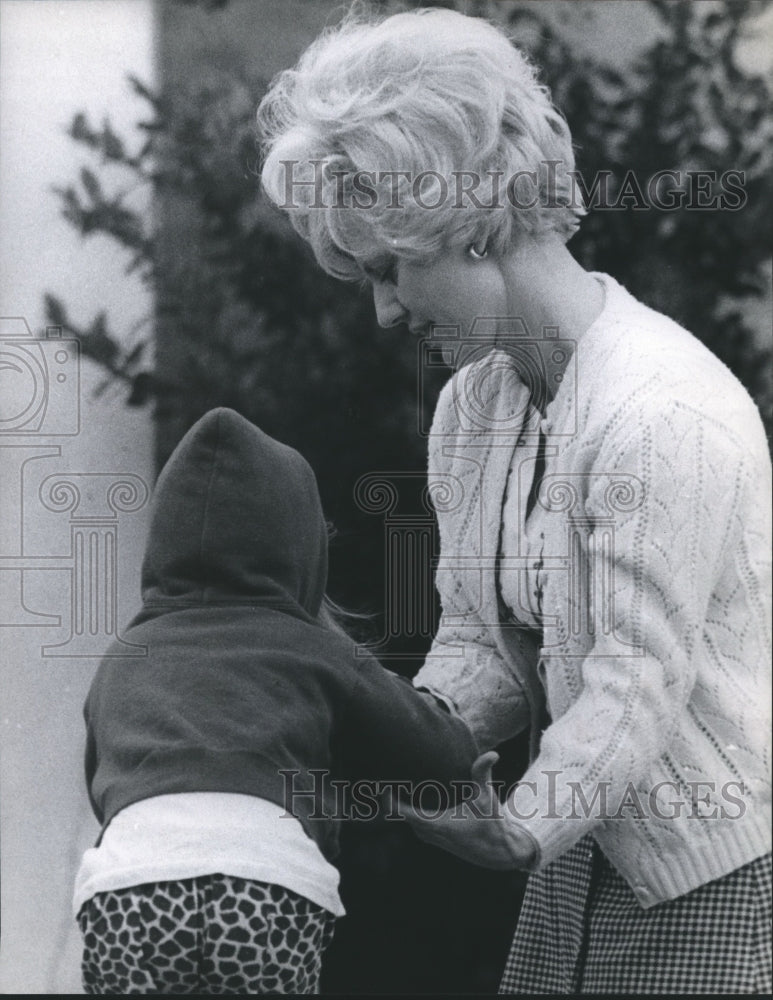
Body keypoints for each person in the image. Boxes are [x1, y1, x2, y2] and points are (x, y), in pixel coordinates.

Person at [257, 5, 772, 994]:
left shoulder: (659, 409)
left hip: (720, 876)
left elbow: (634, 685)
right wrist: (372, 737)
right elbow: (478, 648)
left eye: (387, 269)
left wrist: (514, 826)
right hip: (577, 859)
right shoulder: (473, 407)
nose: (382, 310)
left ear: (463, 215)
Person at [74, 406, 479, 994]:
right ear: (301, 546)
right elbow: (438, 755)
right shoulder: (312, 646)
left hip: (130, 892)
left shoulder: (126, 653)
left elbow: (103, 786)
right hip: (265, 893)